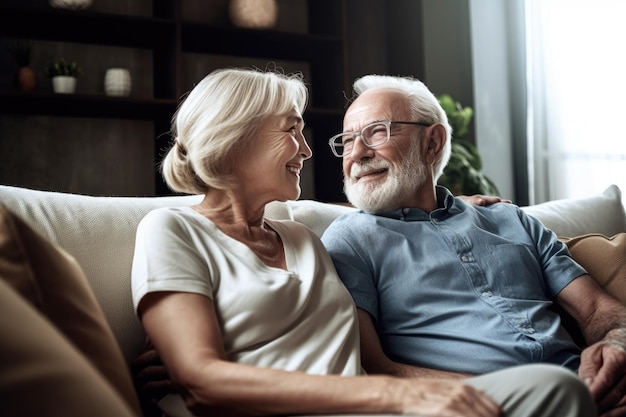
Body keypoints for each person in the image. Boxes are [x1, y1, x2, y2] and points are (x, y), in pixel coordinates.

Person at [129, 67, 597, 417]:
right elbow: (201, 378)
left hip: (369, 408)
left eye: (375, 133)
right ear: (234, 137)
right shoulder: (172, 229)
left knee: (557, 389)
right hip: (356, 405)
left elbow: (350, 351)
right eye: (292, 130)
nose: (310, 151)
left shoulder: (303, 240)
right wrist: (192, 365)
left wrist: (462, 212)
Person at [320, 74, 626, 417]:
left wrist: (616, 348)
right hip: (477, 402)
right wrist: (494, 398)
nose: (357, 152)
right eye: (347, 141)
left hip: (582, 390)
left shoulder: (511, 220)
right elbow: (373, 367)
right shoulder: (349, 240)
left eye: (377, 132)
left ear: (432, 142)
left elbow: (598, 310)